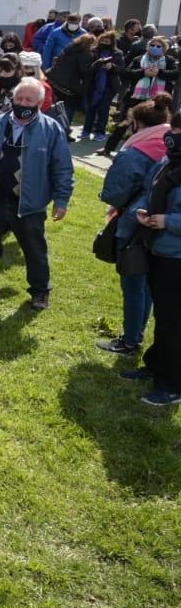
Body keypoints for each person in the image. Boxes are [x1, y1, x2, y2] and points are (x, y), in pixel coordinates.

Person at [0, 78, 75, 311]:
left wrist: (62, 200)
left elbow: (62, 168)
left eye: (29, 99)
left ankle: (40, 291)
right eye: (19, 98)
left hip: (29, 206)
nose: (23, 103)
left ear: (39, 102)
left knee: (35, 250)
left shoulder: (51, 129)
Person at [97, 96, 172, 358]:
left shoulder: (135, 151)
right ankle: (136, 333)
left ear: (137, 124)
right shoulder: (171, 147)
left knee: (132, 283)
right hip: (163, 229)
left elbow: (113, 193)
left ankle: (130, 340)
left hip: (133, 225)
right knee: (148, 284)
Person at [122, 114, 181, 406]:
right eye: (175, 130)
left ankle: (171, 384)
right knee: (164, 316)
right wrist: (143, 211)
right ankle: (157, 365)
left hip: (176, 255)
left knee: (173, 320)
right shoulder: (169, 161)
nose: (174, 137)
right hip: (158, 248)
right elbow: (150, 190)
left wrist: (167, 221)